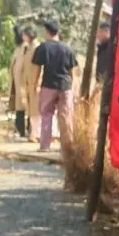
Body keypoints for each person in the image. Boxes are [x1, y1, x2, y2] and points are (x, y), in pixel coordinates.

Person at [32, 19, 77, 151]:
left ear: (47, 32)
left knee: (46, 115)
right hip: (65, 86)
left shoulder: (43, 48)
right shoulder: (67, 48)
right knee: (65, 116)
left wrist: (35, 84)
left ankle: (45, 146)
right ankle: (67, 147)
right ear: (58, 32)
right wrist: (72, 86)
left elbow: (37, 68)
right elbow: (72, 71)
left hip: (48, 85)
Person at [9, 24, 37, 140]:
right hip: (18, 83)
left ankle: (31, 131)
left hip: (26, 82)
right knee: (20, 107)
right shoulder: (19, 48)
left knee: (29, 107)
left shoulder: (27, 48)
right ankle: (20, 130)